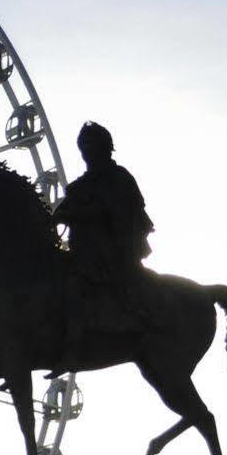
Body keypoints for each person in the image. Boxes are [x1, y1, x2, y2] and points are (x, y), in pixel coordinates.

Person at [52, 121, 155, 370]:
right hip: (82, 249)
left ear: (104, 148)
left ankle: (73, 350)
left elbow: (119, 211)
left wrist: (78, 214)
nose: (86, 152)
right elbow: (66, 209)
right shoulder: (80, 185)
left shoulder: (119, 178)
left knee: (76, 286)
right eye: (83, 147)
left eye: (91, 146)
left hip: (111, 250)